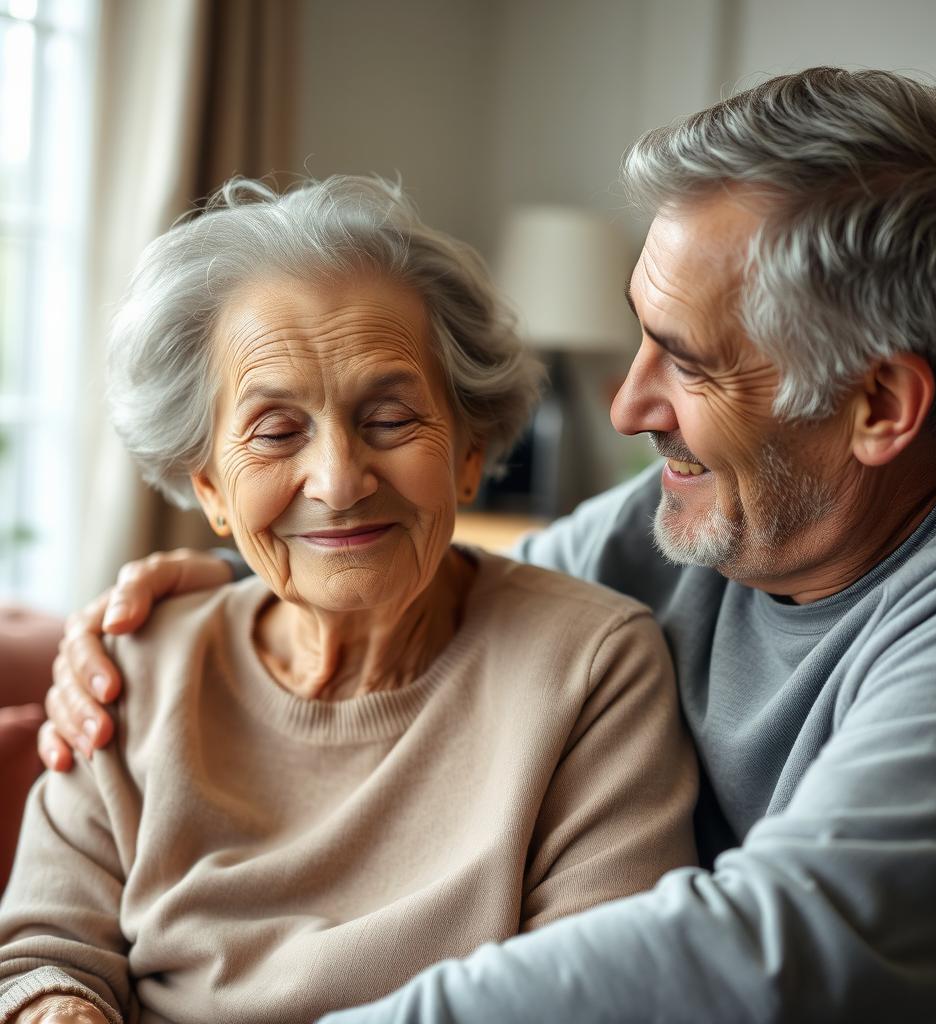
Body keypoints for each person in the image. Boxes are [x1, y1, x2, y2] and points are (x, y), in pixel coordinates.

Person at [38, 67, 936, 1022]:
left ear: (878, 404)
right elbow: (455, 600)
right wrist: (188, 603)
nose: (627, 404)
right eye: (640, 336)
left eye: (686, 362)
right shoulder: (718, 513)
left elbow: (773, 952)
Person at [0, 176, 698, 1024]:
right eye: (276, 431)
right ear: (213, 489)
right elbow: (41, 958)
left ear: (470, 454)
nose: (338, 481)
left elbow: (595, 992)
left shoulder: (590, 668)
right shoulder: (134, 665)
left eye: (391, 418)